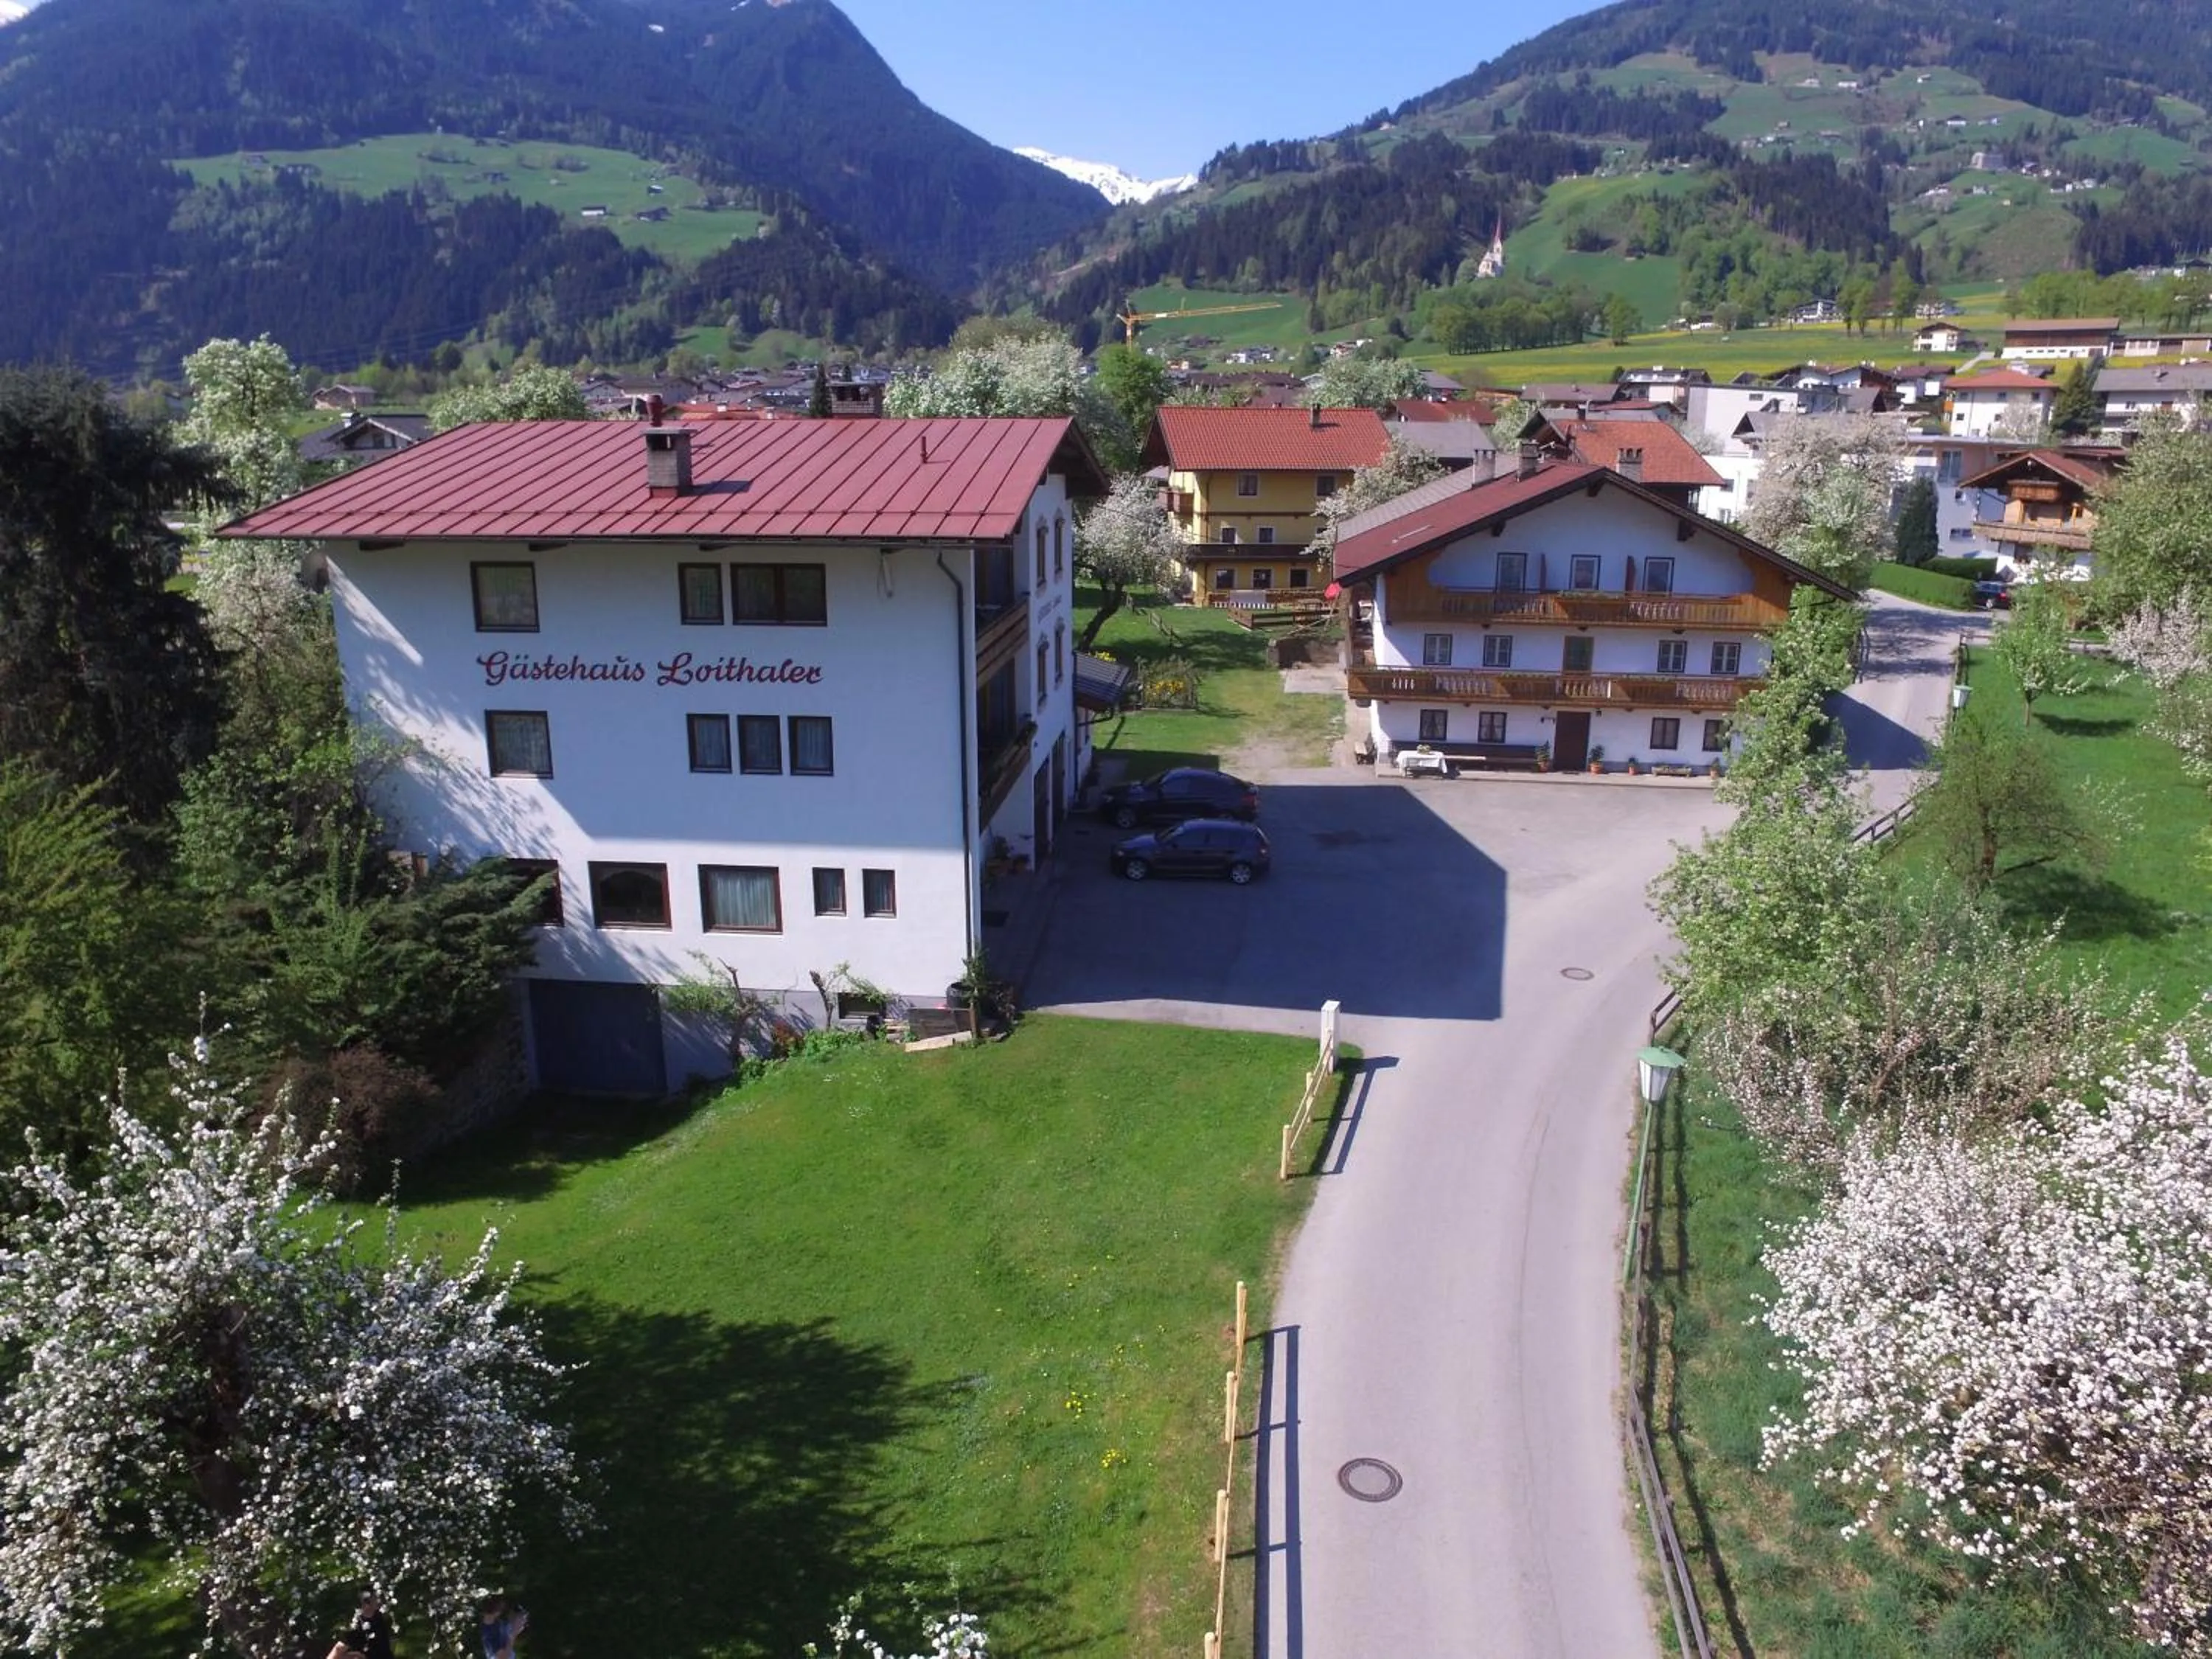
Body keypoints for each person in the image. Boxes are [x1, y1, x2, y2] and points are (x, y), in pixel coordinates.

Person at [341, 1592, 396, 1659]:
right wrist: (358, 1655)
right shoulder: (355, 1625)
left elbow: (391, 1640)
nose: (378, 1602)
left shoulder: (382, 1618)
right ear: (366, 1603)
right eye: (375, 1599)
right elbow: (339, 1651)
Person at [479, 1593, 529, 1659]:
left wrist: (518, 1625)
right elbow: (502, 1657)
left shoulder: (499, 1624)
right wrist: (514, 1632)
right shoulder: (490, 1631)